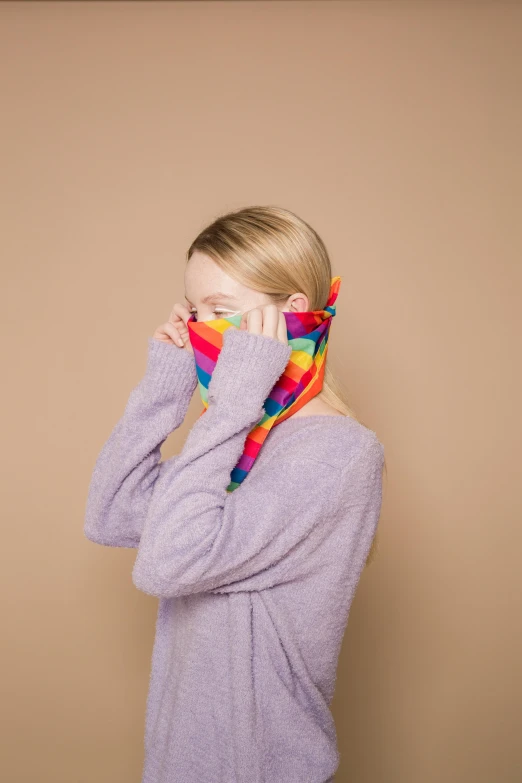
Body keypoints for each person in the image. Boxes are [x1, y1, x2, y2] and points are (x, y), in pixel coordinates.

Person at [84, 205, 385, 783]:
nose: (202, 329)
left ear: (291, 314)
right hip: (182, 756)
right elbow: (112, 513)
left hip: (255, 763)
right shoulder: (236, 444)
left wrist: (233, 401)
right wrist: (166, 384)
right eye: (196, 312)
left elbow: (167, 564)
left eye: (220, 312)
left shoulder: (340, 454)